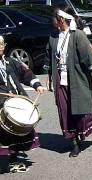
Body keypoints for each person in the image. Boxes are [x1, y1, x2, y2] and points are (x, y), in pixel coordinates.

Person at [46, 6, 92, 158]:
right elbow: (49, 57)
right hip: (61, 79)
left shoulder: (77, 35)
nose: (52, 21)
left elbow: (88, 55)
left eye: (54, 18)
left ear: (61, 19)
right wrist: (49, 77)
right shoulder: (53, 36)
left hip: (77, 78)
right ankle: (74, 142)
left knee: (83, 110)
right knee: (65, 112)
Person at [0, 35, 44, 173]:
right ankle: (12, 158)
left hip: (17, 100)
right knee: (6, 134)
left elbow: (26, 73)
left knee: (19, 131)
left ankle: (15, 156)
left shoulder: (10, 61)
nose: (0, 47)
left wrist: (36, 84)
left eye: (1, 44)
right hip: (2, 104)